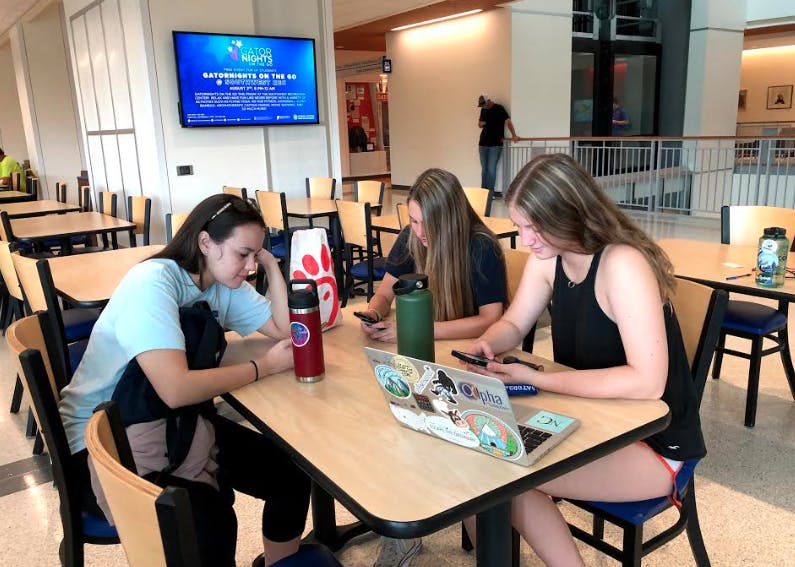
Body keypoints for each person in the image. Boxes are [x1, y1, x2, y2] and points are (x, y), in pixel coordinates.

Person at [463, 153, 706, 566]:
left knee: (501, 478)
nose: (526, 241)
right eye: (521, 227)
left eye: (533, 227)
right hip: (596, 421)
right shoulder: (550, 258)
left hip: (656, 444)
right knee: (476, 455)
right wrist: (485, 344)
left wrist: (540, 380)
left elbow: (646, 383)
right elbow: (515, 324)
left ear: (568, 215)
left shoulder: (622, 264)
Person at [58, 194, 311, 567]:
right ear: (205, 242)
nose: (249, 266)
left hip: (174, 424)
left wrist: (273, 267)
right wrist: (264, 368)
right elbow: (175, 389)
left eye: (255, 255)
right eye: (243, 254)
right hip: (106, 443)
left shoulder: (222, 282)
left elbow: (282, 329)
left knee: (290, 473)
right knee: (209, 520)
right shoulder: (154, 283)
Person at [359, 168, 509, 566]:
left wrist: (419, 325)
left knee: (416, 420)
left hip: (463, 362)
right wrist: (374, 310)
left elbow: (489, 319)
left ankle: (426, 519)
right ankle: (404, 514)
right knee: (383, 415)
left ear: (450, 218)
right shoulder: (414, 236)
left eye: (426, 223)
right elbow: (385, 291)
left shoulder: (481, 247)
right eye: (412, 221)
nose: (418, 232)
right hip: (424, 355)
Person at [477, 94, 519, 195]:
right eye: (482, 105)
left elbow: (508, 122)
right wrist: (482, 123)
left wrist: (514, 135)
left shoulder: (499, 108)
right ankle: (483, 192)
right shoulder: (483, 110)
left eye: (484, 104)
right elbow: (479, 124)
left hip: (495, 144)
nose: (483, 107)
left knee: (491, 169)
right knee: (484, 169)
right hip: (483, 143)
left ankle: (490, 194)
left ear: (489, 101)